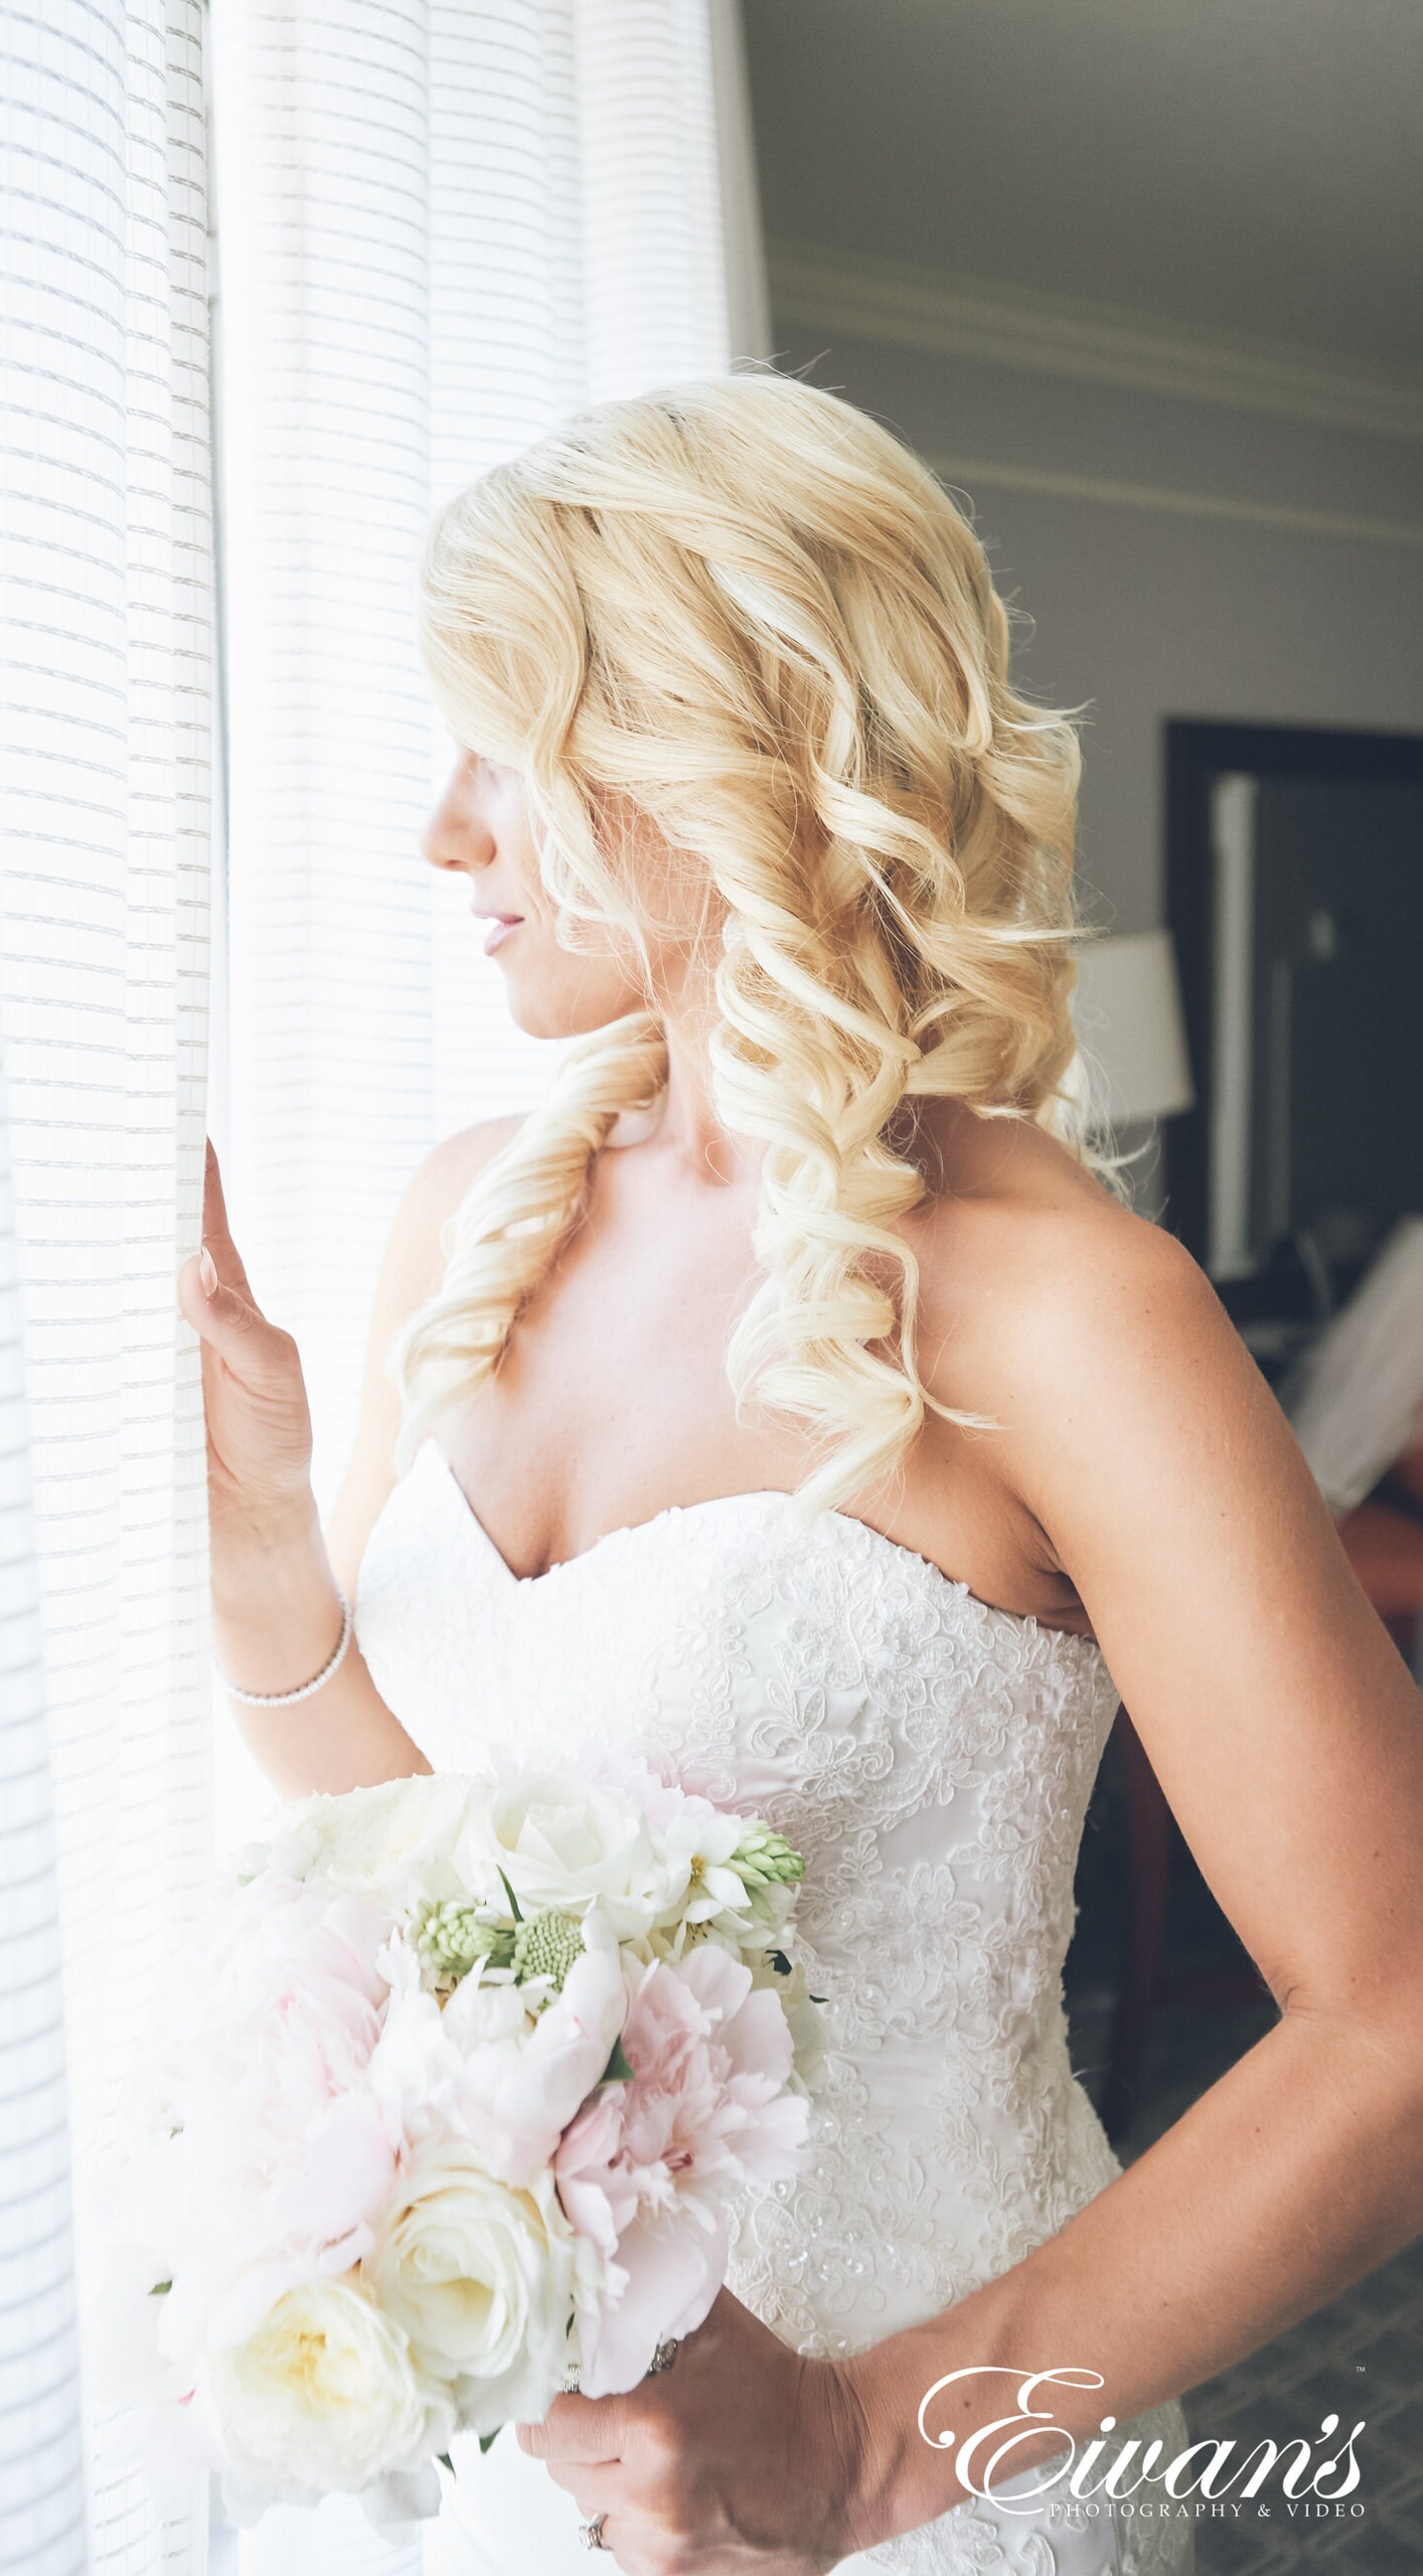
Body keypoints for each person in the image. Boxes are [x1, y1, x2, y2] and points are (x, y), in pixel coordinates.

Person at [180, 378, 1423, 2575]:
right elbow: (443, 1877)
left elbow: (1398, 2023)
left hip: (928, 2475)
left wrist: (867, 2448)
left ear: (723, 756)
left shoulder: (1062, 1311)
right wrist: (276, 1566)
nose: (441, 835)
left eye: (501, 746)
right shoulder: (466, 1211)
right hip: (514, 2475)